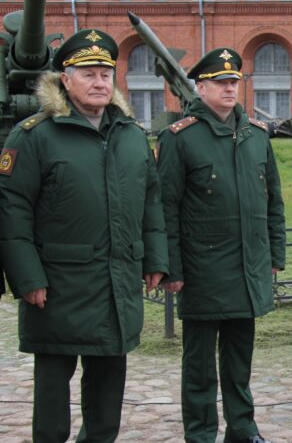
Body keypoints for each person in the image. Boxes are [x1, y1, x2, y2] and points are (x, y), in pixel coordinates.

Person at [0, 29, 168, 442]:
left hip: (117, 284)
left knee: (108, 393)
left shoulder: (130, 135)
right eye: (88, 73)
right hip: (58, 287)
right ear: (65, 78)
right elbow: (12, 209)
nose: (99, 83)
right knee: (53, 398)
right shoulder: (34, 135)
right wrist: (28, 278)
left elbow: (150, 202)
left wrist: (156, 259)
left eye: (105, 74)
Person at [156, 48, 285, 443]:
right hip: (202, 271)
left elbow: (274, 203)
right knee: (198, 365)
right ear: (201, 87)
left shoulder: (256, 136)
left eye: (235, 82)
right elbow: (165, 209)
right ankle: (200, 433)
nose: (230, 89)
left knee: (238, 359)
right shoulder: (180, 138)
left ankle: (242, 427)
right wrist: (171, 268)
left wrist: (275, 255)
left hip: (246, 268)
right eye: (221, 82)